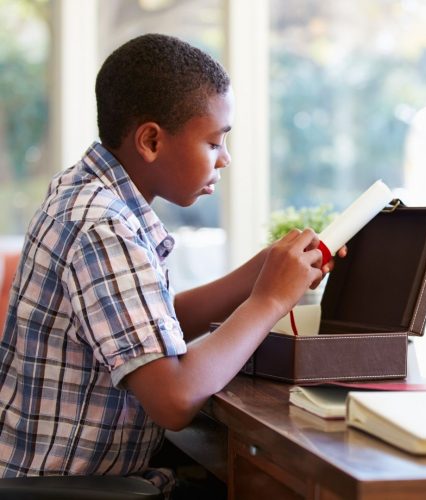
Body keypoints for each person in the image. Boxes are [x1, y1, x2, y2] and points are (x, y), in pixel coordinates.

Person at [0, 34, 342, 497]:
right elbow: (175, 399)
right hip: (74, 489)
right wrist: (270, 299)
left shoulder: (87, 194)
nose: (225, 159)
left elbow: (151, 329)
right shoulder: (104, 228)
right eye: (213, 141)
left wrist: (262, 271)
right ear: (151, 141)